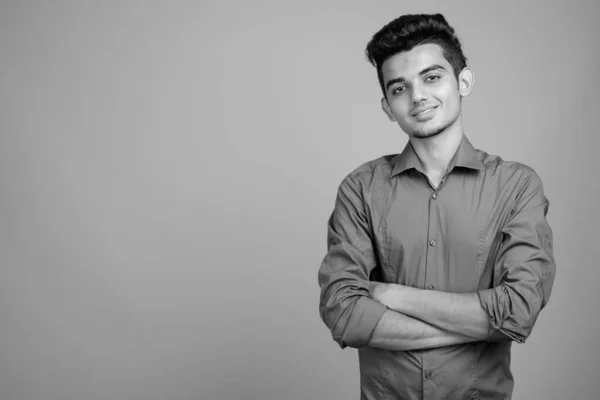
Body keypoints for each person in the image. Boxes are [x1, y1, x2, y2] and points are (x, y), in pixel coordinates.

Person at [317, 13, 556, 400]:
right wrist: (474, 327)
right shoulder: (360, 189)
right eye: (399, 88)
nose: (417, 97)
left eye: (431, 77)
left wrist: (392, 295)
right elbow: (343, 313)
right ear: (386, 105)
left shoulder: (516, 186)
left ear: (463, 81)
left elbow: (519, 309)